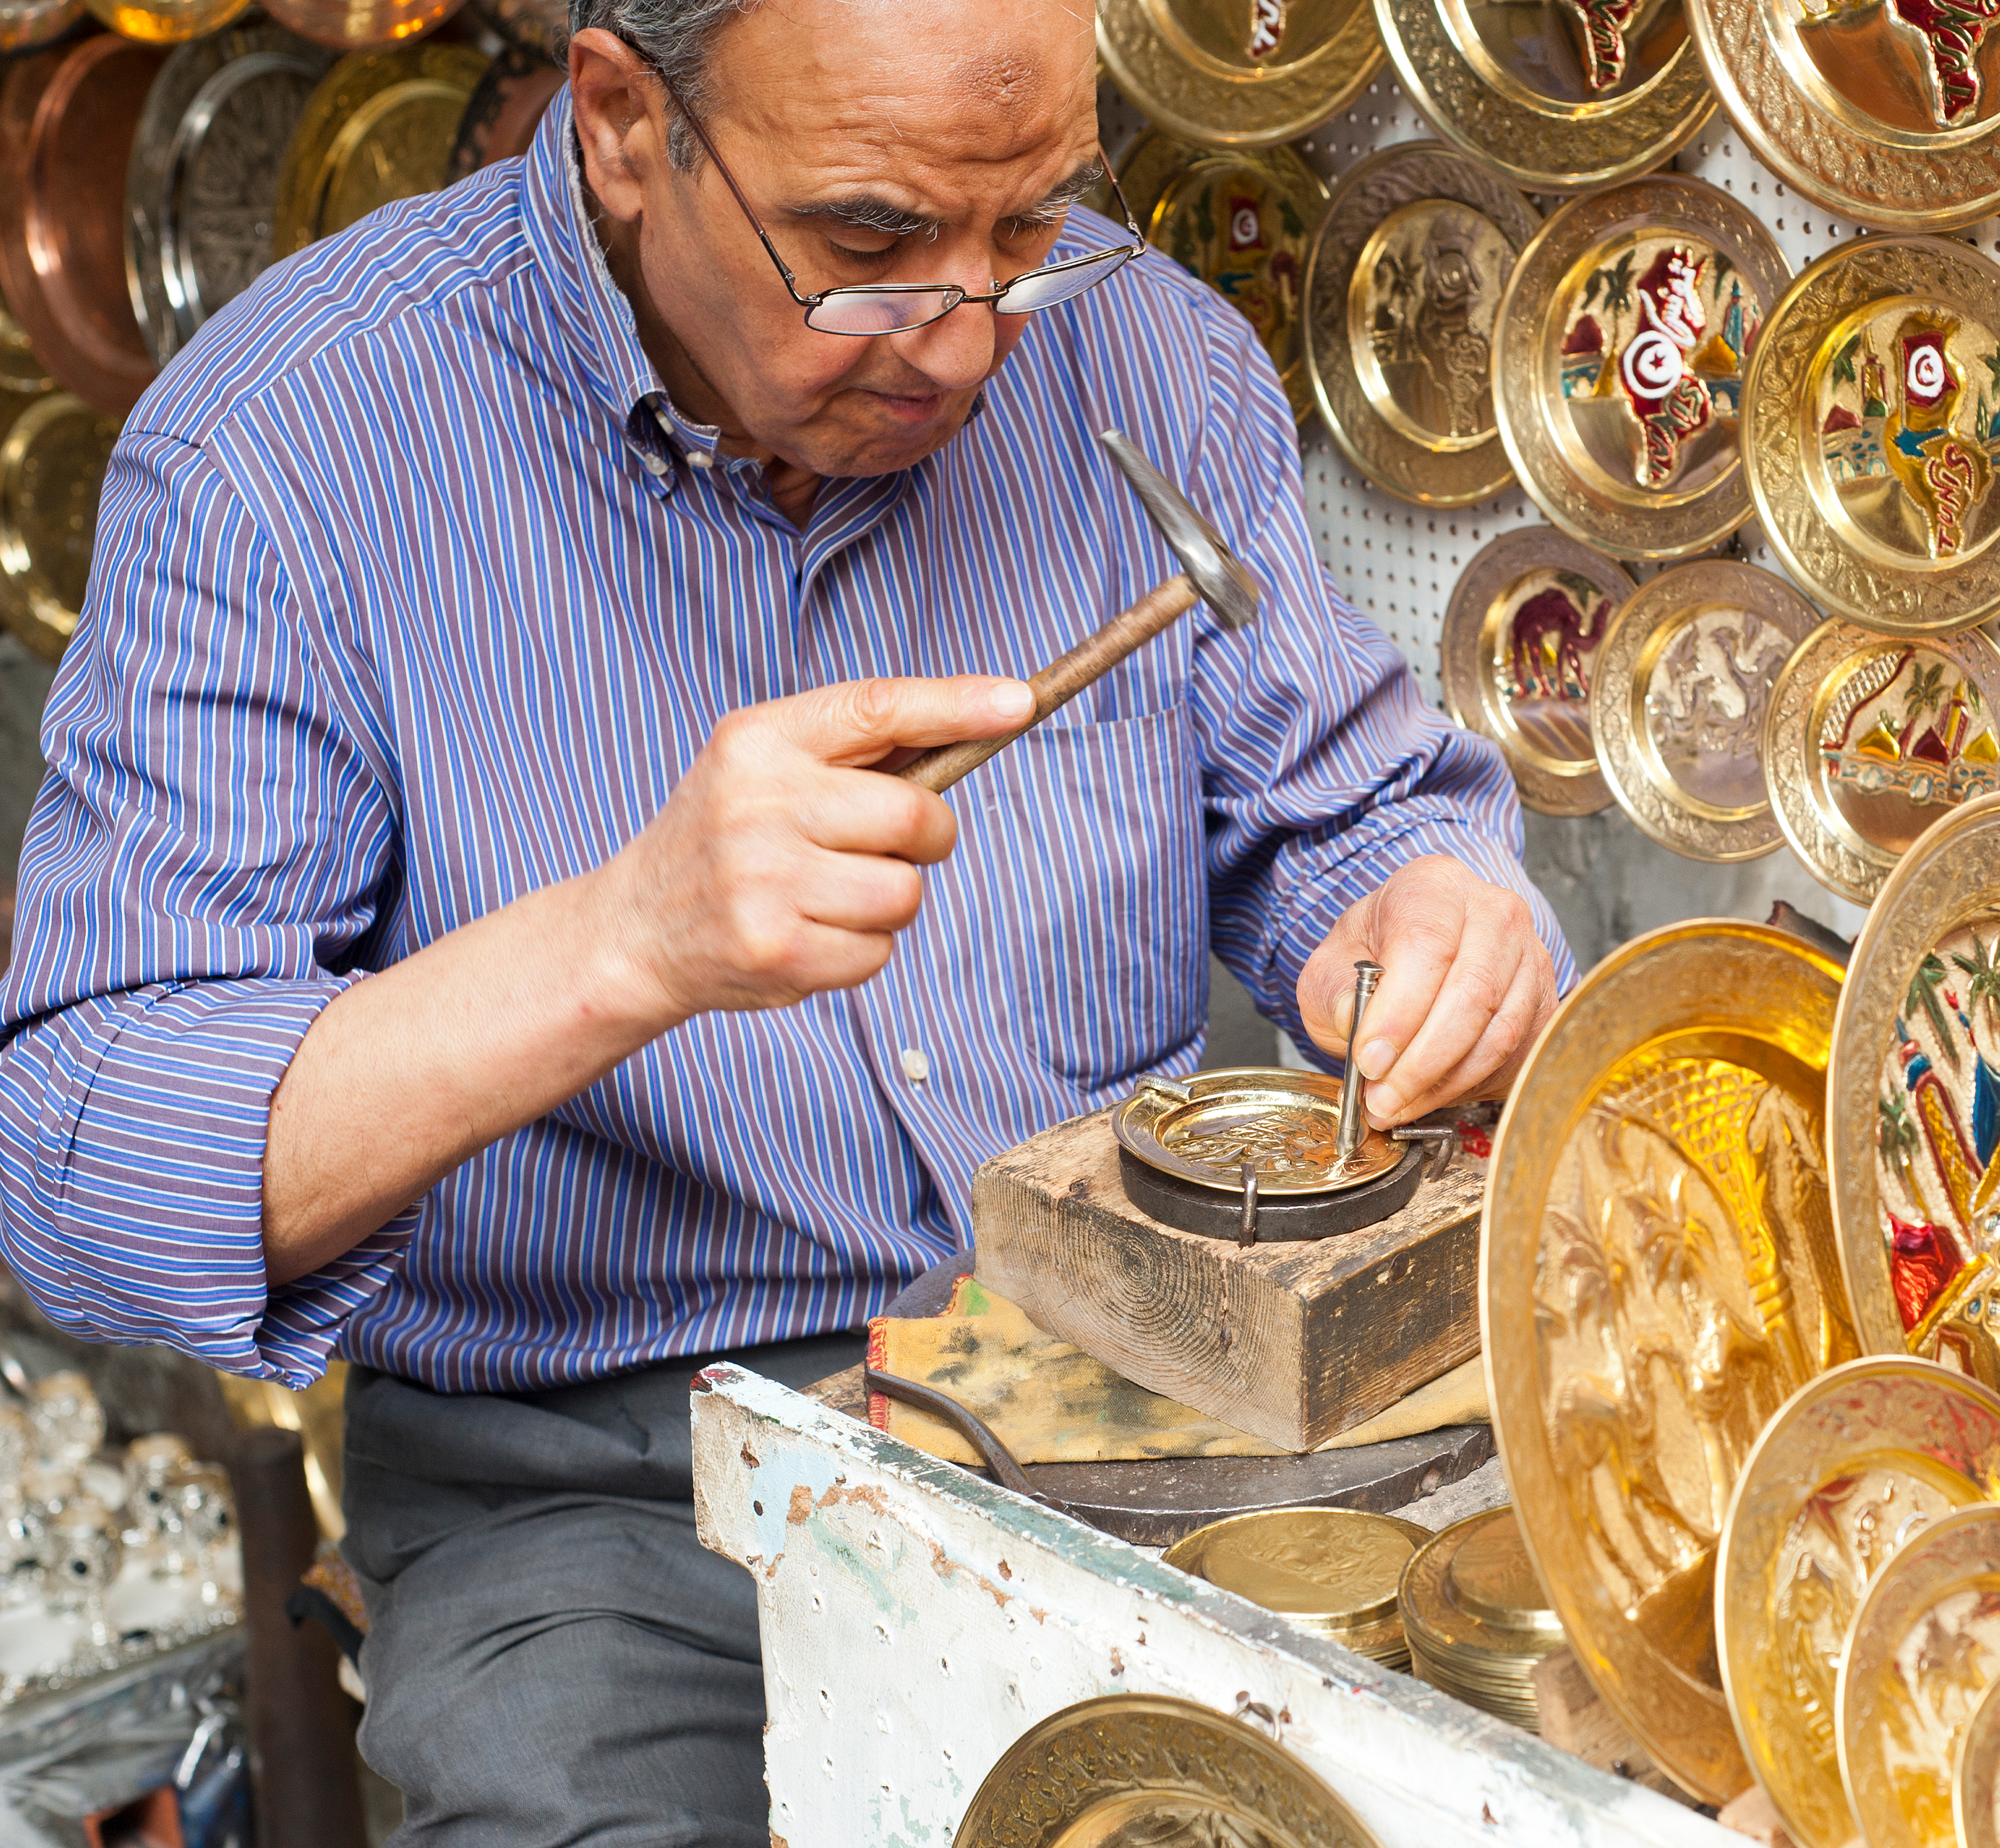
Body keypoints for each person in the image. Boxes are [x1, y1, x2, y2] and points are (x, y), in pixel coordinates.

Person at [0, 0, 1571, 1832]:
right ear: (619, 124)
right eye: (871, 246)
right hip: (603, 1495)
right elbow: (84, 1158)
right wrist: (621, 944)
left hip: (1126, 1394)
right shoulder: (293, 448)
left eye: (1031, 223)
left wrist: (1427, 918)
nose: (970, 341)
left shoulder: (1144, 357)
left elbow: (1358, 817)